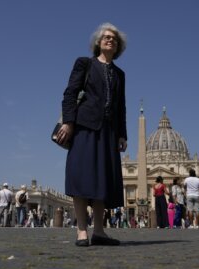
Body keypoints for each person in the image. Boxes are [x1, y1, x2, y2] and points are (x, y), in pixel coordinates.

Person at [55, 23, 127, 247]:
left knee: (102, 181)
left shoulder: (120, 74)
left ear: (118, 46)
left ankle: (99, 231)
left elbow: (120, 106)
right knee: (81, 176)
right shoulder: (84, 63)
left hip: (109, 131)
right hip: (85, 126)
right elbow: (70, 93)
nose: (110, 40)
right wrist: (68, 122)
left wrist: (122, 134)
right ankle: (81, 231)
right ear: (98, 42)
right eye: (106, 37)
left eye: (114, 39)